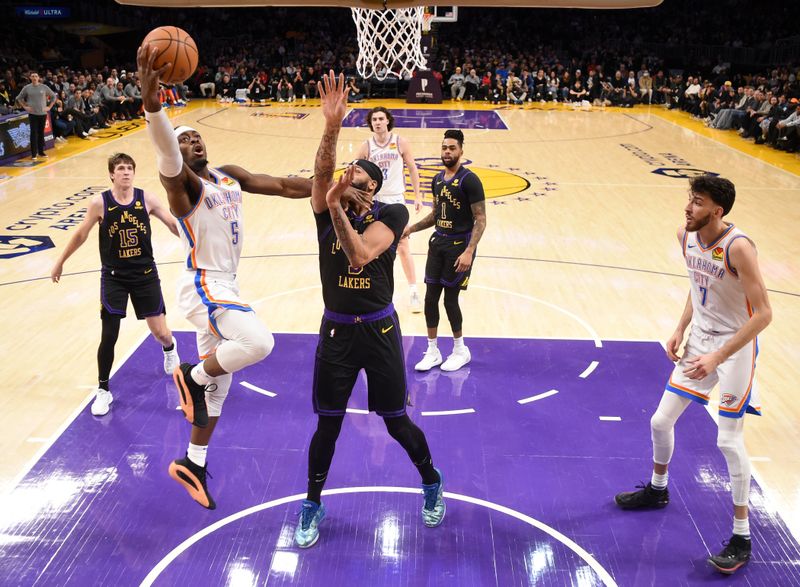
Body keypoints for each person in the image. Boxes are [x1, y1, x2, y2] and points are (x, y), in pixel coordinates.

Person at [136, 47, 367, 510]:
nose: (195, 142)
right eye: (186, 140)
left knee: (217, 393)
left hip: (225, 285)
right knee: (259, 344)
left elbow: (285, 185)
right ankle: (190, 375)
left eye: (198, 137)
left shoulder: (228, 176)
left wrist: (336, 189)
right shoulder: (183, 187)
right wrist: (152, 104)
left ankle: (193, 461)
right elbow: (164, 147)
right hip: (204, 284)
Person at [294, 71, 445, 549]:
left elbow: (359, 254)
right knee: (328, 425)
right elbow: (322, 177)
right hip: (336, 332)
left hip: (379, 330)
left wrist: (337, 204)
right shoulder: (328, 199)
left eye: (356, 177)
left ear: (372, 189)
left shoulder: (391, 216)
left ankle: (431, 481)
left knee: (396, 422)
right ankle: (312, 503)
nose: (345, 178)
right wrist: (332, 126)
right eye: (345, 175)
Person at [615, 175, 772, 575]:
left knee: (728, 439)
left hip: (734, 347)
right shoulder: (685, 237)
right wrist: (680, 328)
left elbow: (765, 314)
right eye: (689, 199)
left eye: (697, 202)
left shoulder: (739, 247)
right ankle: (658, 489)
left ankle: (741, 536)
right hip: (701, 341)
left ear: (717, 211)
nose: (688, 207)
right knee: (660, 421)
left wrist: (718, 356)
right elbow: (696, 283)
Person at [50, 153, 181, 416]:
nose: (126, 173)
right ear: (111, 173)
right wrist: (60, 261)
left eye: (130, 168)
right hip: (113, 277)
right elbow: (81, 234)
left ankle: (169, 348)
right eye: (121, 168)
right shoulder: (99, 203)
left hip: (145, 274)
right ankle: (103, 390)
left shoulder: (147, 198)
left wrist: (194, 244)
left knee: (161, 333)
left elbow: (171, 223)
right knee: (109, 335)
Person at [405, 129, 487, 372]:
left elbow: (481, 220)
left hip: (459, 247)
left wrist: (469, 251)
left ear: (461, 150)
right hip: (438, 244)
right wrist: (412, 228)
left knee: (450, 300)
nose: (447, 152)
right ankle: (432, 350)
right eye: (444, 148)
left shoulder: (469, 180)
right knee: (431, 298)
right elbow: (436, 215)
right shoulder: (438, 179)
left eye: (452, 148)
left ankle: (460, 350)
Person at [354, 107, 423, 313]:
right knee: (371, 248)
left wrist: (417, 195)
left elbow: (412, 168)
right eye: (374, 119)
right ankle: (374, 290)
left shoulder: (400, 142)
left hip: (395, 200)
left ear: (387, 121)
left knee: (402, 246)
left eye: (381, 118)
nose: (377, 122)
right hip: (373, 201)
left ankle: (413, 291)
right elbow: (355, 174)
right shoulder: (366, 146)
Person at [15, 72, 56, 160]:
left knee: (41, 133)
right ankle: (34, 153)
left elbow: (53, 96)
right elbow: (18, 98)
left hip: (43, 114)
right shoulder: (27, 88)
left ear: (38, 78)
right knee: (33, 133)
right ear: (30, 78)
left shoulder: (44, 87)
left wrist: (49, 107)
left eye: (36, 76)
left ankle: (41, 151)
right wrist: (25, 107)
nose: (34, 78)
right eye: (33, 76)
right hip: (33, 114)